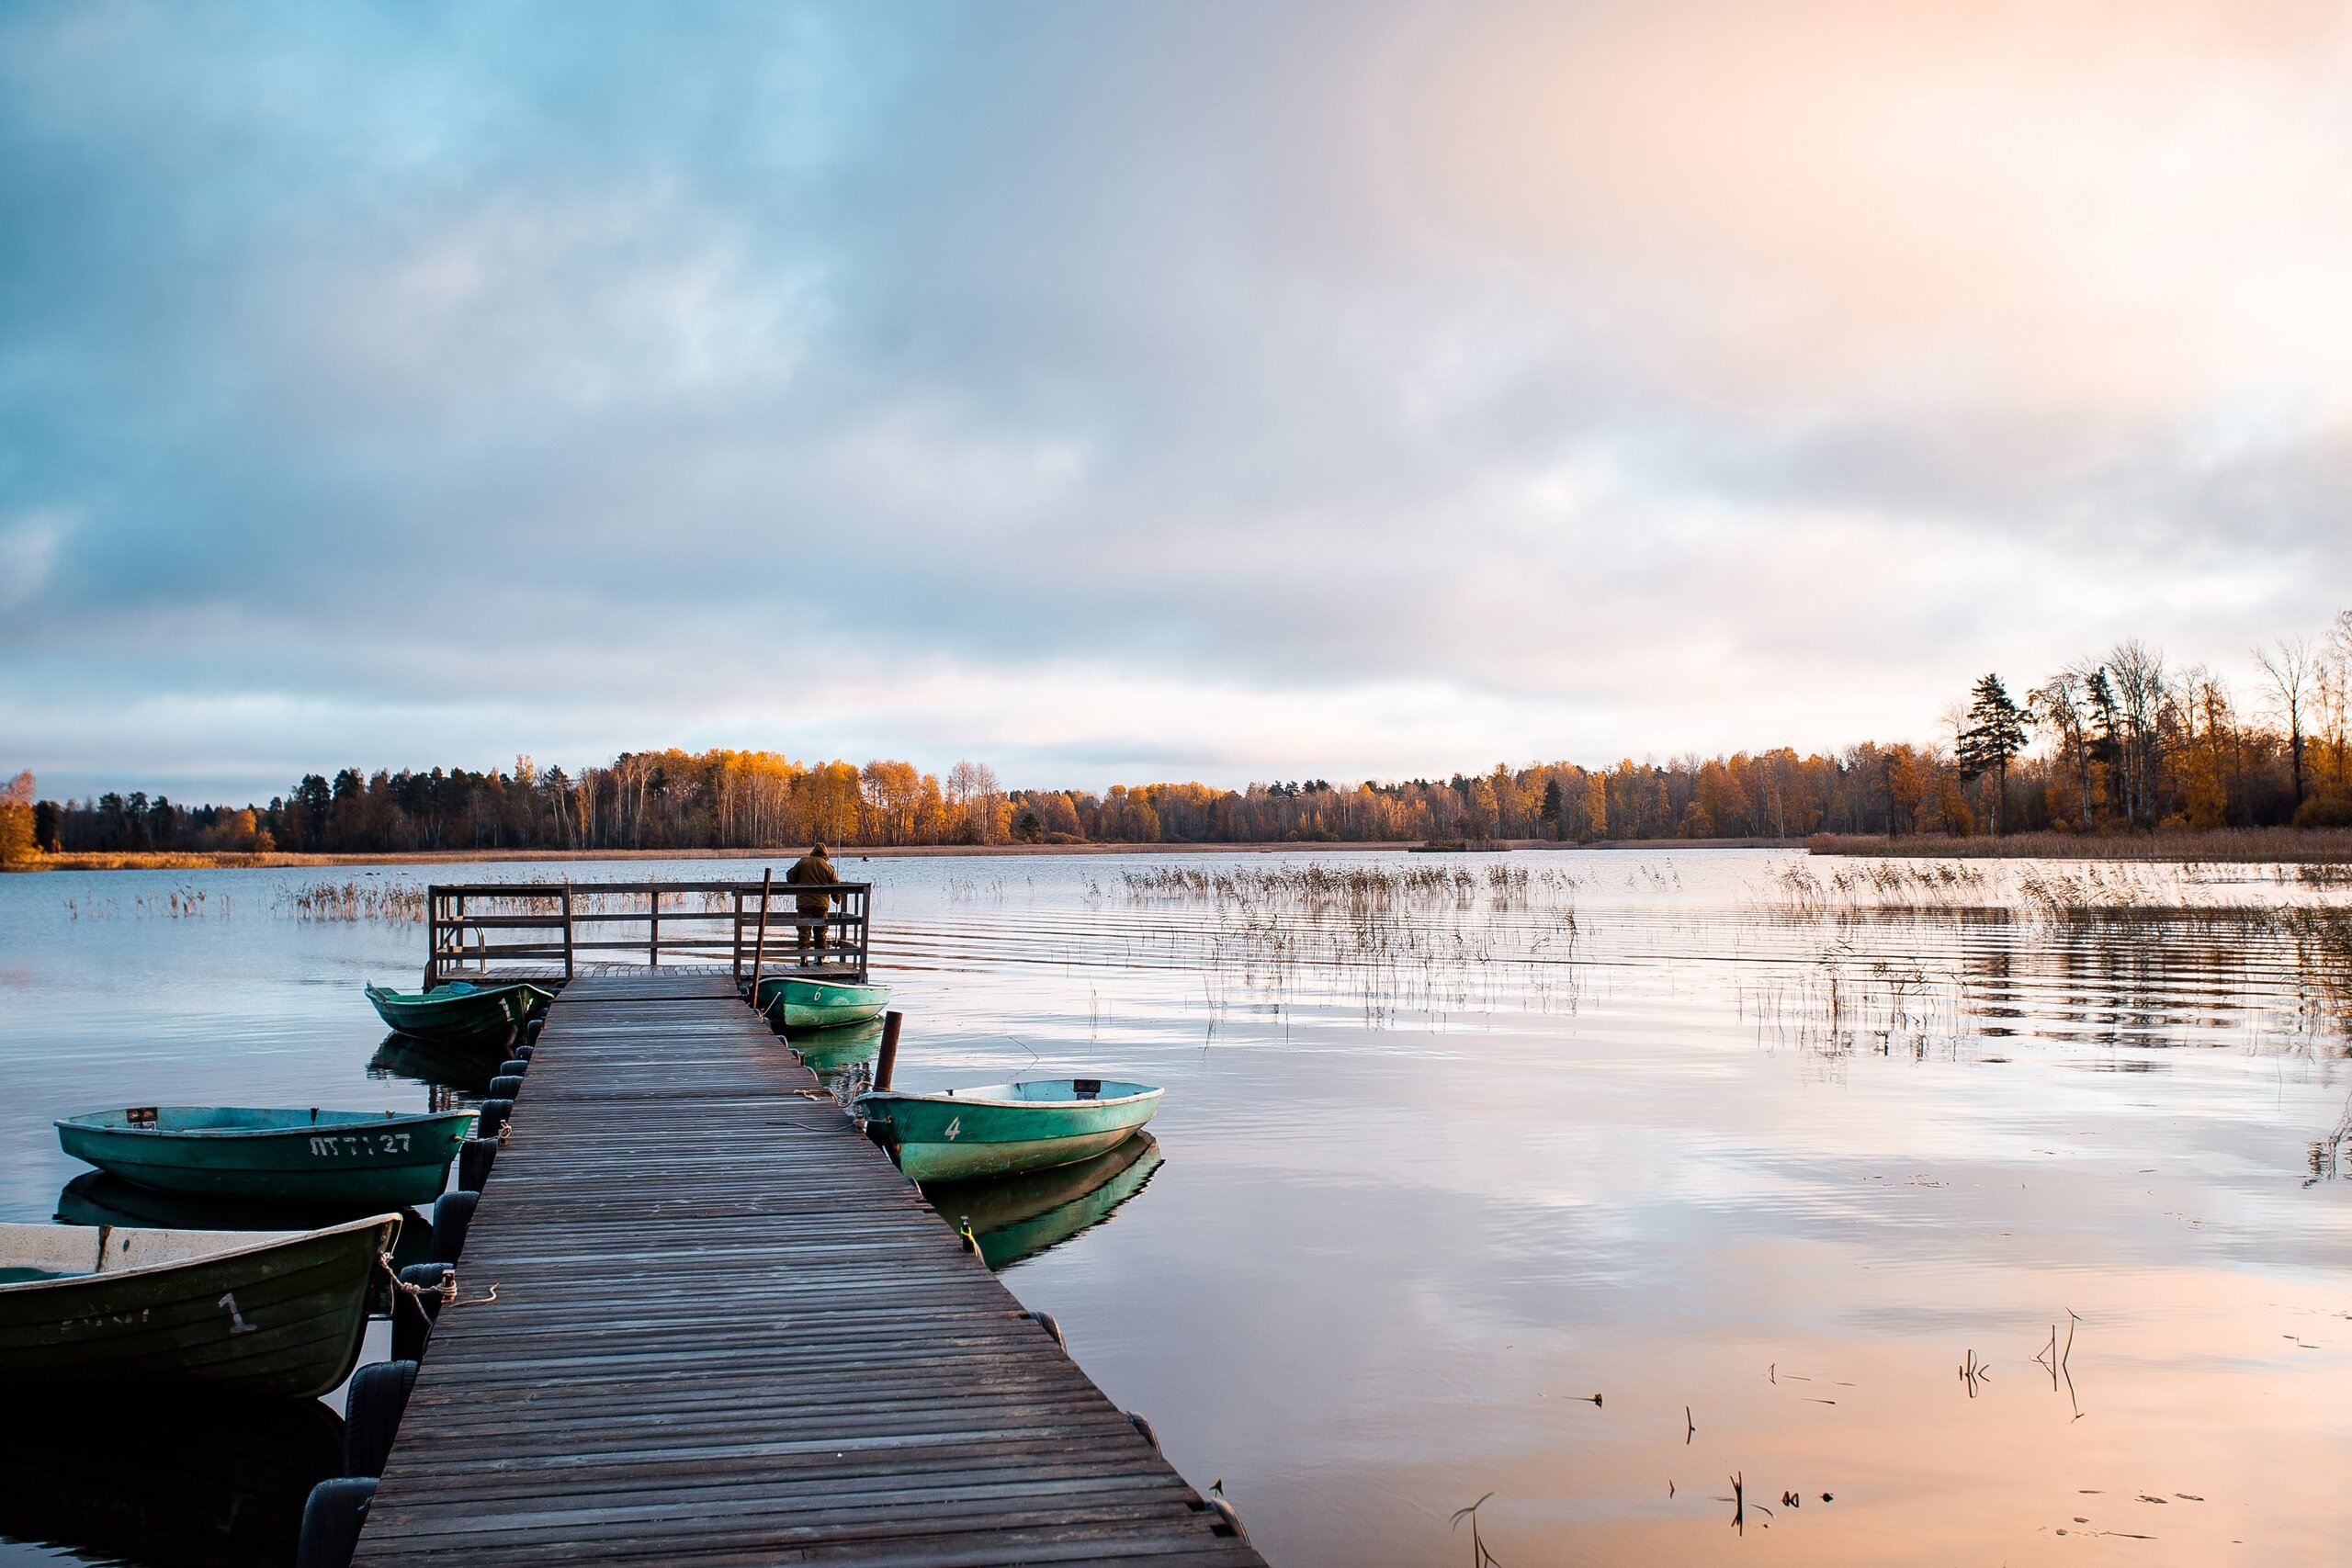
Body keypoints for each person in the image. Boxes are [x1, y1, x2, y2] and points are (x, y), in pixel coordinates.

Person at [785, 843, 840, 961]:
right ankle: (820, 957)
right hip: (821, 904)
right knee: (820, 931)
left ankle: (803, 957)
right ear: (825, 854)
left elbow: (790, 877)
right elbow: (836, 886)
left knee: (804, 930)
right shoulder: (828, 867)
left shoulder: (803, 862)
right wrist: (837, 899)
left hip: (804, 903)